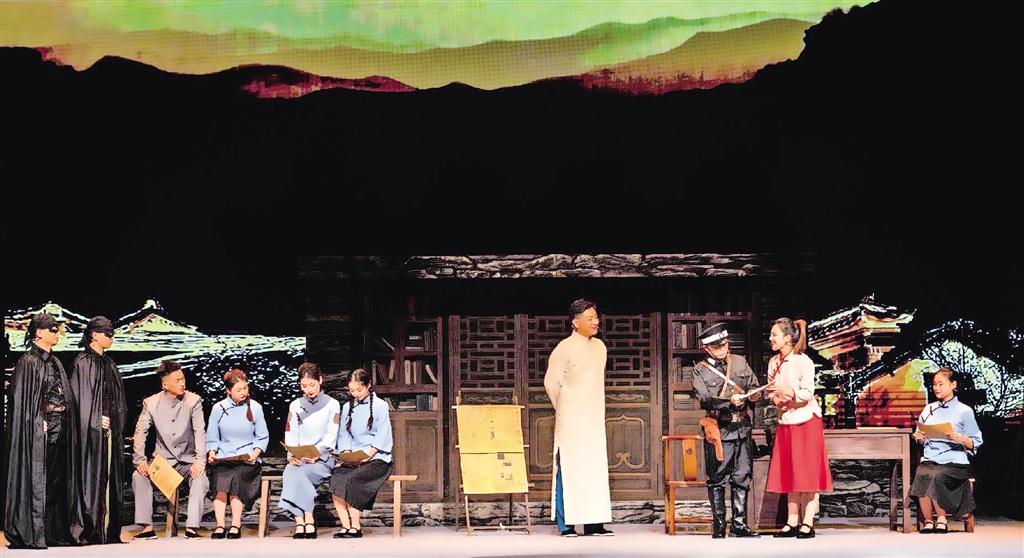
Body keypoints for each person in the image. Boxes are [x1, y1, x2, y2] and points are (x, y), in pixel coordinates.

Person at [4, 313, 85, 549]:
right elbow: (22, 401)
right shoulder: (28, 362)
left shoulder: (56, 362)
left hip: (61, 428)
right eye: (53, 330)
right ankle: (32, 531)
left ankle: (51, 531)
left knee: (56, 479)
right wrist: (38, 420)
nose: (57, 334)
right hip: (41, 432)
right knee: (38, 479)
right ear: (39, 332)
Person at [543, 298, 614, 537]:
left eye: (596, 317)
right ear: (575, 322)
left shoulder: (600, 347)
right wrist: (565, 408)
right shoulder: (564, 348)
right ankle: (566, 525)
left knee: (593, 470)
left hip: (593, 418)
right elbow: (551, 384)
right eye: (589, 318)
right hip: (572, 421)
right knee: (569, 470)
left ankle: (594, 524)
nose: (595, 322)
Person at [690, 322, 761, 538]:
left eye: (725, 345)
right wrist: (728, 402)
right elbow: (704, 399)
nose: (723, 350)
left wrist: (754, 395)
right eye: (717, 347)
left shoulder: (739, 361)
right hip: (720, 430)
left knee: (742, 476)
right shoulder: (700, 370)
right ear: (707, 348)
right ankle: (719, 526)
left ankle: (739, 524)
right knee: (717, 478)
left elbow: (753, 384)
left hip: (742, 428)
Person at [765, 317, 833, 539]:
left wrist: (790, 393)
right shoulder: (774, 362)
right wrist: (776, 399)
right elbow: (770, 390)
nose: (771, 338)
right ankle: (791, 521)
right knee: (790, 473)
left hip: (806, 422)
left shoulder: (803, 361)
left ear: (787, 338)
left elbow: (807, 392)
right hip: (786, 422)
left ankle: (807, 522)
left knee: (808, 473)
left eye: (775, 334)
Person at [131, 359, 209, 539]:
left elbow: (200, 432)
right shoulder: (151, 403)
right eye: (177, 380)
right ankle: (147, 528)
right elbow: (140, 432)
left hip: (186, 462)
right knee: (139, 475)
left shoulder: (193, 401)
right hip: (163, 463)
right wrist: (140, 460)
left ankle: (191, 527)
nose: (182, 383)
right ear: (165, 385)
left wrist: (200, 461)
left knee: (200, 478)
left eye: (183, 379)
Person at [69, 316, 127, 545]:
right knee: (92, 477)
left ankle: (107, 529)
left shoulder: (110, 364)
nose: (111, 337)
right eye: (107, 333)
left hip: (109, 432)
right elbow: (79, 400)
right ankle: (91, 529)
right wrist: (94, 420)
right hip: (90, 437)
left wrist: (115, 421)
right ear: (94, 335)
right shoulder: (82, 363)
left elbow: (118, 400)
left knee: (109, 477)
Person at [910, 367, 983, 534]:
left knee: (936, 475)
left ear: (953, 385)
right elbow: (921, 438)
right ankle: (929, 521)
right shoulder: (928, 410)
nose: (936, 388)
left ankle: (941, 519)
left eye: (941, 384)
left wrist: (961, 438)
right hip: (931, 459)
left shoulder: (964, 411)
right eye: (934, 384)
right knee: (922, 474)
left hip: (954, 462)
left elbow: (976, 442)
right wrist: (919, 436)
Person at [279, 362, 341, 539]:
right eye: (304, 386)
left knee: (301, 474)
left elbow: (332, 433)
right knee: (290, 471)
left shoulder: (333, 404)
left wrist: (317, 455)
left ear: (320, 380)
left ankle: (307, 518)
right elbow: (291, 432)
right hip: (300, 456)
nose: (309, 390)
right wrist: (292, 454)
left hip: (323, 458)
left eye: (312, 385)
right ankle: (301, 521)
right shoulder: (295, 405)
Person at [206, 369, 269, 539]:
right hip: (224, 457)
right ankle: (220, 525)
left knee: (237, 478)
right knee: (220, 478)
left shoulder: (255, 407)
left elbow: (262, 436)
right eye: (238, 390)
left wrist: (255, 454)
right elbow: (212, 437)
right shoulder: (218, 408)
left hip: (247, 459)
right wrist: (212, 453)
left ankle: (235, 525)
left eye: (245, 388)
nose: (243, 392)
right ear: (228, 390)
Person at [330, 368, 394, 538]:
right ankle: (345, 526)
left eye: (359, 390)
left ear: (368, 385)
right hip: (355, 457)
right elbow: (344, 434)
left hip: (377, 458)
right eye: (352, 391)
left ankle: (356, 526)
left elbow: (382, 433)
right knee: (337, 478)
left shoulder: (380, 406)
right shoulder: (347, 407)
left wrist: (368, 455)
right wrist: (347, 454)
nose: (356, 394)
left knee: (352, 479)